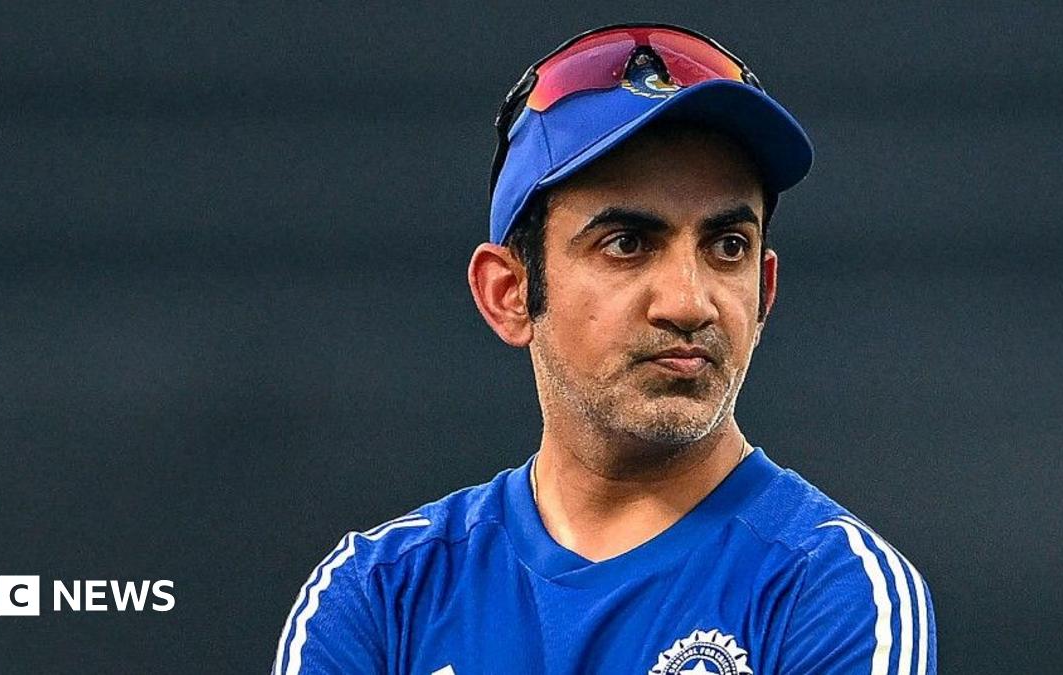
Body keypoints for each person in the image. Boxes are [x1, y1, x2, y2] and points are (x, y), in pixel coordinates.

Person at [272, 23, 936, 675]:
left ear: (763, 290)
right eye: (626, 243)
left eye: (727, 246)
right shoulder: (382, 593)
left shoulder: (835, 590)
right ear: (508, 292)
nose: (688, 301)